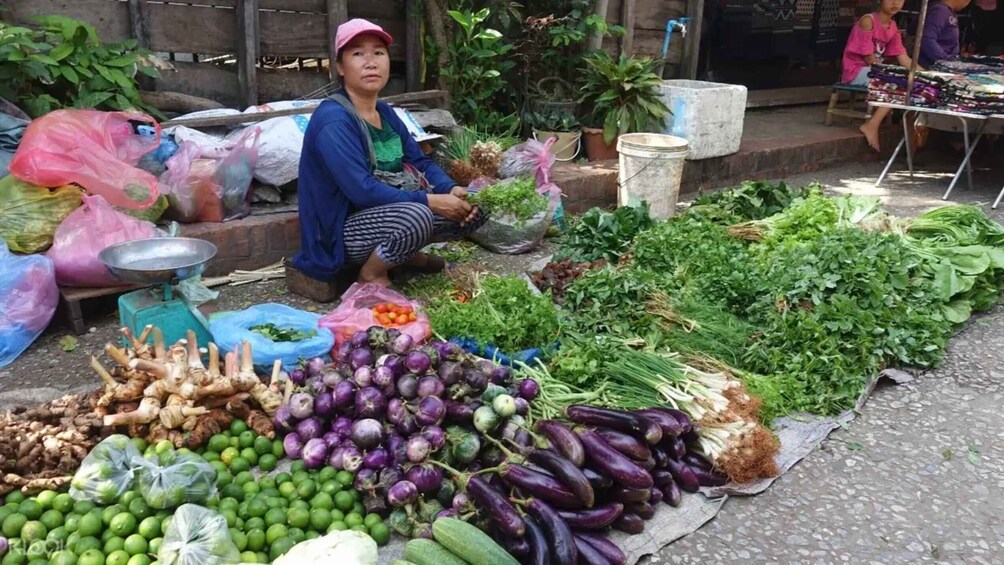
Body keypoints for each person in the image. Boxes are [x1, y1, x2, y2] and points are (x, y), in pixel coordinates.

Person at [293, 19, 485, 288]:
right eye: (358, 53)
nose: (370, 62)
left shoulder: (384, 112)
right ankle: (370, 274)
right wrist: (431, 201)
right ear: (339, 66)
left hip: (384, 216)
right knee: (416, 216)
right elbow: (361, 191)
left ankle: (404, 255)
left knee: (479, 203)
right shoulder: (334, 120)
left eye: (379, 53)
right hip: (338, 233)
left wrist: (449, 188)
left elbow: (418, 161)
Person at [842, 0, 917, 151]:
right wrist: (888, 73)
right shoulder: (868, 20)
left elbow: (903, 58)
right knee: (896, 83)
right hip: (857, 70)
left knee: (914, 82)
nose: (895, 2)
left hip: (876, 71)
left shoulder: (893, 26)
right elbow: (868, 57)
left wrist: (924, 74)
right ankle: (872, 124)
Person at [919, 0, 973, 67]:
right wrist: (944, 59)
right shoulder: (940, 11)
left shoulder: (948, 12)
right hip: (932, 64)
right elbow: (927, 39)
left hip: (944, 62)